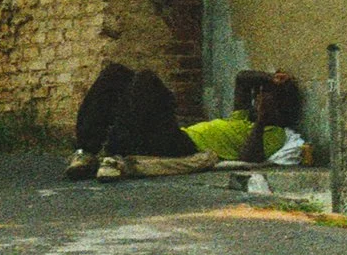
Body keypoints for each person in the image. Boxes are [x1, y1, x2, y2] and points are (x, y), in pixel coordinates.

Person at [64, 66, 307, 181]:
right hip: (169, 136)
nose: (257, 101)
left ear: (280, 110)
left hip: (182, 146)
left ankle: (117, 151)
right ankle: (86, 150)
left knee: (147, 80)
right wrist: (270, 79)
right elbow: (242, 78)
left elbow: (249, 158)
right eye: (259, 96)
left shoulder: (275, 133)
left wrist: (263, 119)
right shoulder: (242, 118)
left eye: (267, 99)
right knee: (115, 73)